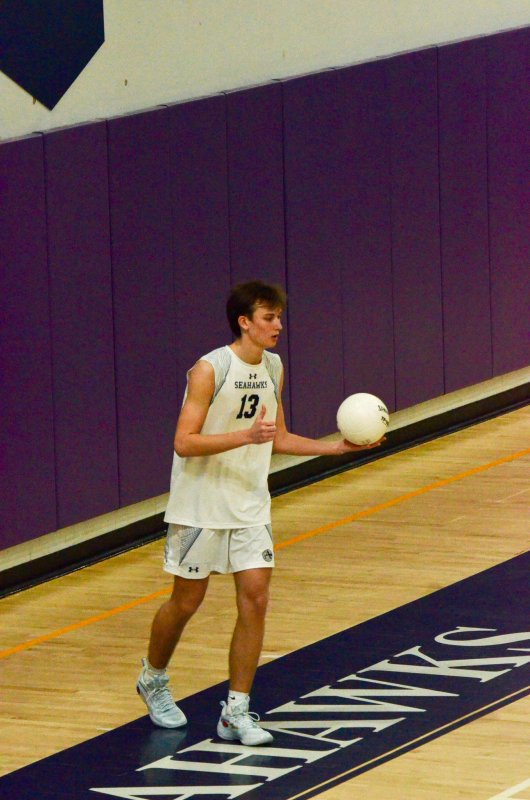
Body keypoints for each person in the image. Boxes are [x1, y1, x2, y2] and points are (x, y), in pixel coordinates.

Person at [137, 280, 383, 746]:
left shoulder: (273, 366)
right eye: (269, 318)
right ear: (244, 322)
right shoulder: (209, 370)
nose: (278, 326)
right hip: (199, 507)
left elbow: (280, 437)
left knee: (256, 597)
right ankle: (153, 677)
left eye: (279, 317)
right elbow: (184, 442)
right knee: (186, 603)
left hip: (250, 504)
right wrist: (243, 438)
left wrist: (337, 449)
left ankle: (236, 711)